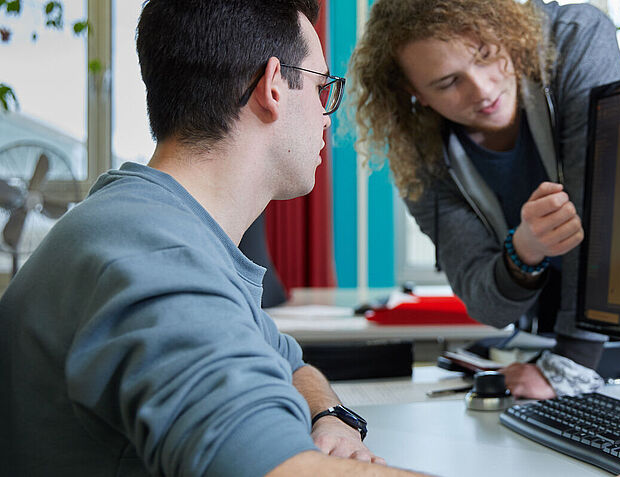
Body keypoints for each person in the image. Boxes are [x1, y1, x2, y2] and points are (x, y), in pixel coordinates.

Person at [0, 1, 423, 475]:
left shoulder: (148, 225)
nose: (327, 117)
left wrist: (328, 416)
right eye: (322, 88)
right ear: (274, 87)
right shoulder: (159, 258)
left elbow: (294, 367)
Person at [349, 0, 620, 401]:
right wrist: (525, 249)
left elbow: (604, 212)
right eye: (447, 83)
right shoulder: (419, 157)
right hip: (547, 344)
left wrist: (572, 362)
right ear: (415, 93)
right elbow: (487, 304)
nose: (483, 89)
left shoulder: (575, 39)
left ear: (505, 30)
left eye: (487, 55)